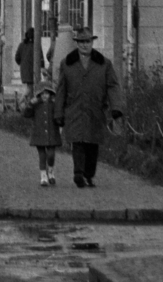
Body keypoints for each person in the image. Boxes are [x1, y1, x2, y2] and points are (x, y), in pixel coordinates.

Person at [52, 26, 123, 189]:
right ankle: (78, 173)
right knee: (77, 142)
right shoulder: (67, 64)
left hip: (95, 110)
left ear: (92, 43)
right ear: (77, 43)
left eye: (88, 42)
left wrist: (116, 107)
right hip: (74, 109)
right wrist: (58, 112)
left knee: (92, 144)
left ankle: (89, 175)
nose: (85, 45)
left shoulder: (104, 64)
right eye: (81, 42)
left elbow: (113, 86)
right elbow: (61, 89)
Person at [25, 47, 62, 186]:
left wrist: (61, 123)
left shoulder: (53, 104)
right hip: (39, 133)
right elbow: (26, 114)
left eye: (48, 93)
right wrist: (30, 105)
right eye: (43, 94)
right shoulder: (36, 104)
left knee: (51, 155)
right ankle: (43, 176)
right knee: (42, 155)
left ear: (51, 94)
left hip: (52, 134)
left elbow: (59, 116)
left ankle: (51, 171)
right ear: (39, 95)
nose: (45, 96)